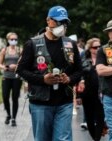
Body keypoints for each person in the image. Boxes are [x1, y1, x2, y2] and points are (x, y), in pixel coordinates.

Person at [16, 5, 82, 141]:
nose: (61, 26)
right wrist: (42, 80)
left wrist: (69, 79)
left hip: (64, 102)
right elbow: (20, 70)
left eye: (64, 23)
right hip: (40, 103)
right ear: (48, 20)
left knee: (63, 139)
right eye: (58, 21)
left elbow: (80, 70)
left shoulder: (71, 44)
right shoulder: (32, 44)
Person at [78, 37, 105, 141]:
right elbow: (79, 75)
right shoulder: (84, 58)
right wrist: (79, 95)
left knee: (100, 117)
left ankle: (97, 138)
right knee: (89, 119)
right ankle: (95, 138)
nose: (98, 49)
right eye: (95, 47)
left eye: (99, 46)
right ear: (90, 49)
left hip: (101, 91)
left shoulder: (104, 58)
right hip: (87, 93)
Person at [0, 32, 23, 126]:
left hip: (16, 77)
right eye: (12, 39)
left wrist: (16, 66)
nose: (14, 41)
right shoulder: (4, 50)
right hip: (6, 76)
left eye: (15, 39)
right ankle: (8, 114)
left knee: (15, 98)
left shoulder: (20, 50)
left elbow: (23, 63)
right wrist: (6, 67)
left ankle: (13, 118)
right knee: (5, 97)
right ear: (8, 40)